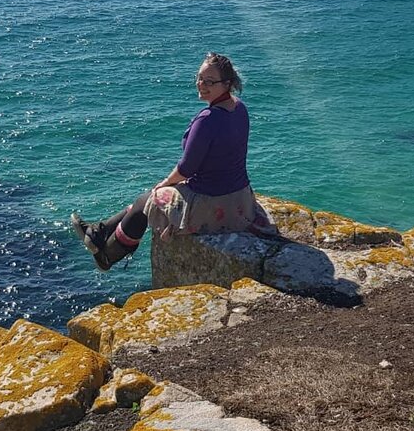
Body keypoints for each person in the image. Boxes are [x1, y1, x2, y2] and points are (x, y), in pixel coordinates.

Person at [71, 52, 272, 270]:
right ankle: (97, 232)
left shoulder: (207, 120)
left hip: (212, 205)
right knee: (149, 199)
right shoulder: (239, 108)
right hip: (239, 200)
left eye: (210, 81)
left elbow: (186, 168)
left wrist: (166, 182)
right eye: (200, 78)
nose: (201, 85)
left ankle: (108, 255)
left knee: (146, 201)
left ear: (227, 83)